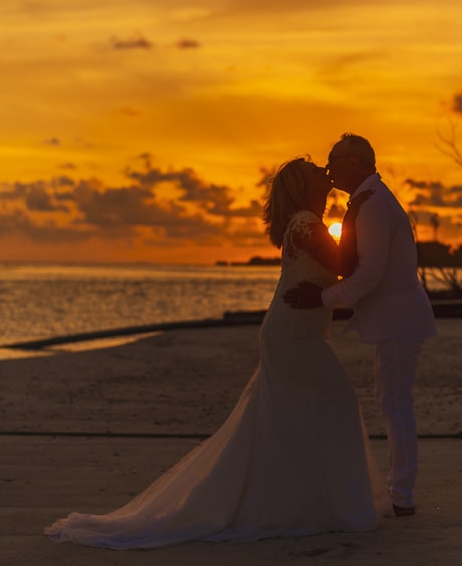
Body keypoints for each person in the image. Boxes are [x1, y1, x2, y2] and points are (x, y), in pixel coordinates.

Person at [45, 157, 389, 549]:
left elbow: (342, 267)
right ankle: (328, 504)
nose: (322, 172)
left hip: (297, 332)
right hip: (293, 335)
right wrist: (356, 209)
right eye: (313, 170)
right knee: (335, 404)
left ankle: (312, 503)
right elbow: (345, 264)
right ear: (301, 185)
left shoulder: (305, 222)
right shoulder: (304, 224)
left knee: (290, 418)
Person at [283, 133, 437, 518]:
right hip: (394, 318)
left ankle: (402, 494)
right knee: (392, 401)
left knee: (396, 404)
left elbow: (369, 273)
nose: (329, 169)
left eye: (333, 161)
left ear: (354, 161)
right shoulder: (369, 202)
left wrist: (322, 299)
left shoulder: (373, 205)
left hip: (399, 319)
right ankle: (399, 490)